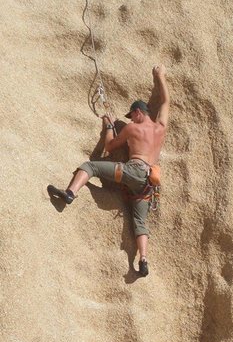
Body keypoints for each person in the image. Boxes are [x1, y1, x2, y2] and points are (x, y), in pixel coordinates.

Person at [48, 65, 170, 277]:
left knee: (91, 166)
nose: (130, 119)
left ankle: (70, 194)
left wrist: (108, 125)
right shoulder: (160, 127)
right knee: (139, 222)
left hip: (132, 171)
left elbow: (110, 147)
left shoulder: (132, 128)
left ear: (138, 112)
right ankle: (143, 259)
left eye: (132, 115)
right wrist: (160, 76)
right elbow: (166, 102)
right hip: (147, 183)